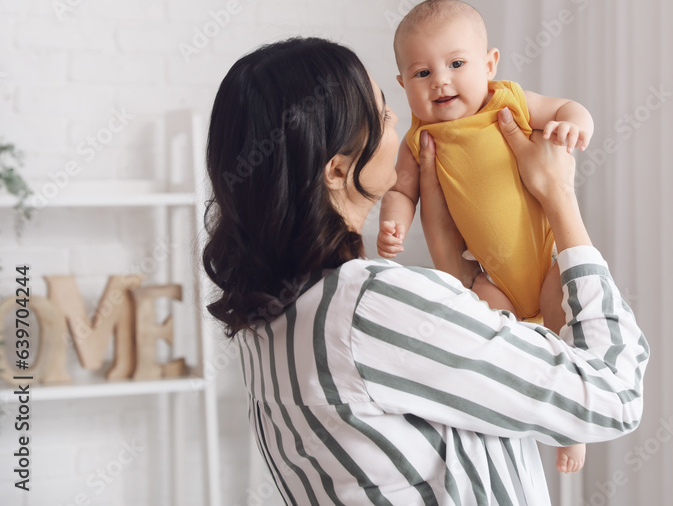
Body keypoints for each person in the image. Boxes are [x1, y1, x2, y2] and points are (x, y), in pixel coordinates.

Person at [202, 37, 647, 505]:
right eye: (385, 115)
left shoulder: (275, 323)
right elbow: (611, 397)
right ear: (336, 170)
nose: (397, 125)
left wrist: (452, 276)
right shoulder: (372, 306)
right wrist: (558, 196)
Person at [377, 0, 596, 473]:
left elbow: (565, 106)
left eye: (456, 64)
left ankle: (571, 425)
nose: (441, 80)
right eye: (421, 73)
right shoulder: (419, 139)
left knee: (567, 336)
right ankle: (515, 418)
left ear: (489, 63)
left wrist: (573, 125)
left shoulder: (508, 101)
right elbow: (402, 189)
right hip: (490, 277)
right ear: (402, 83)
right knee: (493, 340)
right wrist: (392, 221)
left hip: (544, 264)